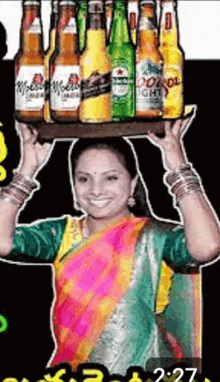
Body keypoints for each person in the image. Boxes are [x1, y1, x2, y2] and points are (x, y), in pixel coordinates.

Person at [0, 116, 219, 374]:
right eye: (84, 179)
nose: (96, 190)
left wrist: (176, 162)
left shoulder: (155, 238)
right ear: (73, 188)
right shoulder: (60, 235)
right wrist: (27, 170)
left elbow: (207, 247)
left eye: (110, 178)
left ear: (132, 185)